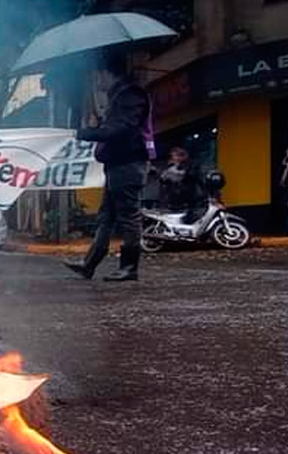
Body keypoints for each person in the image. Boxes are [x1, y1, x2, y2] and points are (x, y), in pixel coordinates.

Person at [64, 52, 153, 282]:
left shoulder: (130, 95)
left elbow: (120, 129)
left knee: (128, 216)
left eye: (98, 76)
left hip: (128, 164)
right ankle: (89, 263)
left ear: (107, 73)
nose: (97, 82)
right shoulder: (118, 96)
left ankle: (129, 267)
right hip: (116, 165)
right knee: (106, 217)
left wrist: (86, 133)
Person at [160, 147, 207, 224]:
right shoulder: (173, 167)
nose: (172, 159)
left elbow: (191, 177)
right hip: (176, 200)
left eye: (173, 156)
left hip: (191, 198)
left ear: (181, 157)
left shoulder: (191, 166)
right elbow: (163, 180)